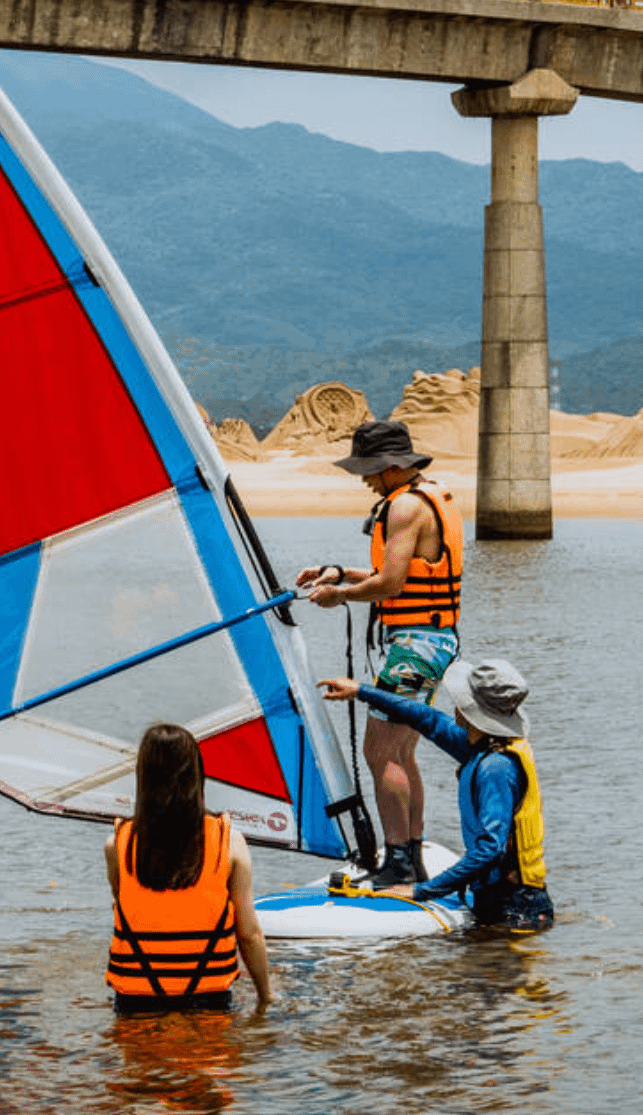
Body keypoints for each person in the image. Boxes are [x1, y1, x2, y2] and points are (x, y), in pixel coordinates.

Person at [295, 420, 462, 887]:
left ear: (390, 466)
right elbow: (398, 572)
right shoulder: (429, 495)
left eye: (367, 470)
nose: (364, 480)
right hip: (433, 640)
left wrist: (339, 597)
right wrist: (339, 573)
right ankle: (411, 853)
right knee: (402, 752)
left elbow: (390, 584)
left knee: (379, 751)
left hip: (415, 646)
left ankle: (400, 861)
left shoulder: (404, 506)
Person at [319, 658, 554, 932]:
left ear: (468, 711)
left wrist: (420, 891)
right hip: (503, 901)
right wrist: (360, 691)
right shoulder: (481, 745)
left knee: (490, 960)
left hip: (515, 907)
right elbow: (425, 718)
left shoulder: (496, 767)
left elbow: (490, 849)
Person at [103, 724, 272, 1014]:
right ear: (196, 774)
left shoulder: (117, 844)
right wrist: (265, 996)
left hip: (135, 1005)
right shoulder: (229, 842)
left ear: (143, 776)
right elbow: (248, 934)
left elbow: (126, 907)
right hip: (209, 1002)